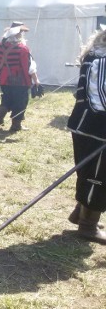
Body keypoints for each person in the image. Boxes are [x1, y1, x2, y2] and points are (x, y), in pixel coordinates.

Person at [66, 27, 106, 244]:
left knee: (90, 172)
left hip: (90, 126)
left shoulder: (98, 56)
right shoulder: (101, 59)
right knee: (98, 177)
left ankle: (80, 213)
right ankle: (88, 226)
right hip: (96, 128)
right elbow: (101, 96)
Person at [0, 21, 41, 131]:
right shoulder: (22, 49)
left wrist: (4, 71)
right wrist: (35, 80)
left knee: (7, 97)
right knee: (20, 102)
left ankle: (0, 113)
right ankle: (16, 125)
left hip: (4, 80)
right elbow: (29, 67)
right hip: (20, 81)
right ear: (19, 34)